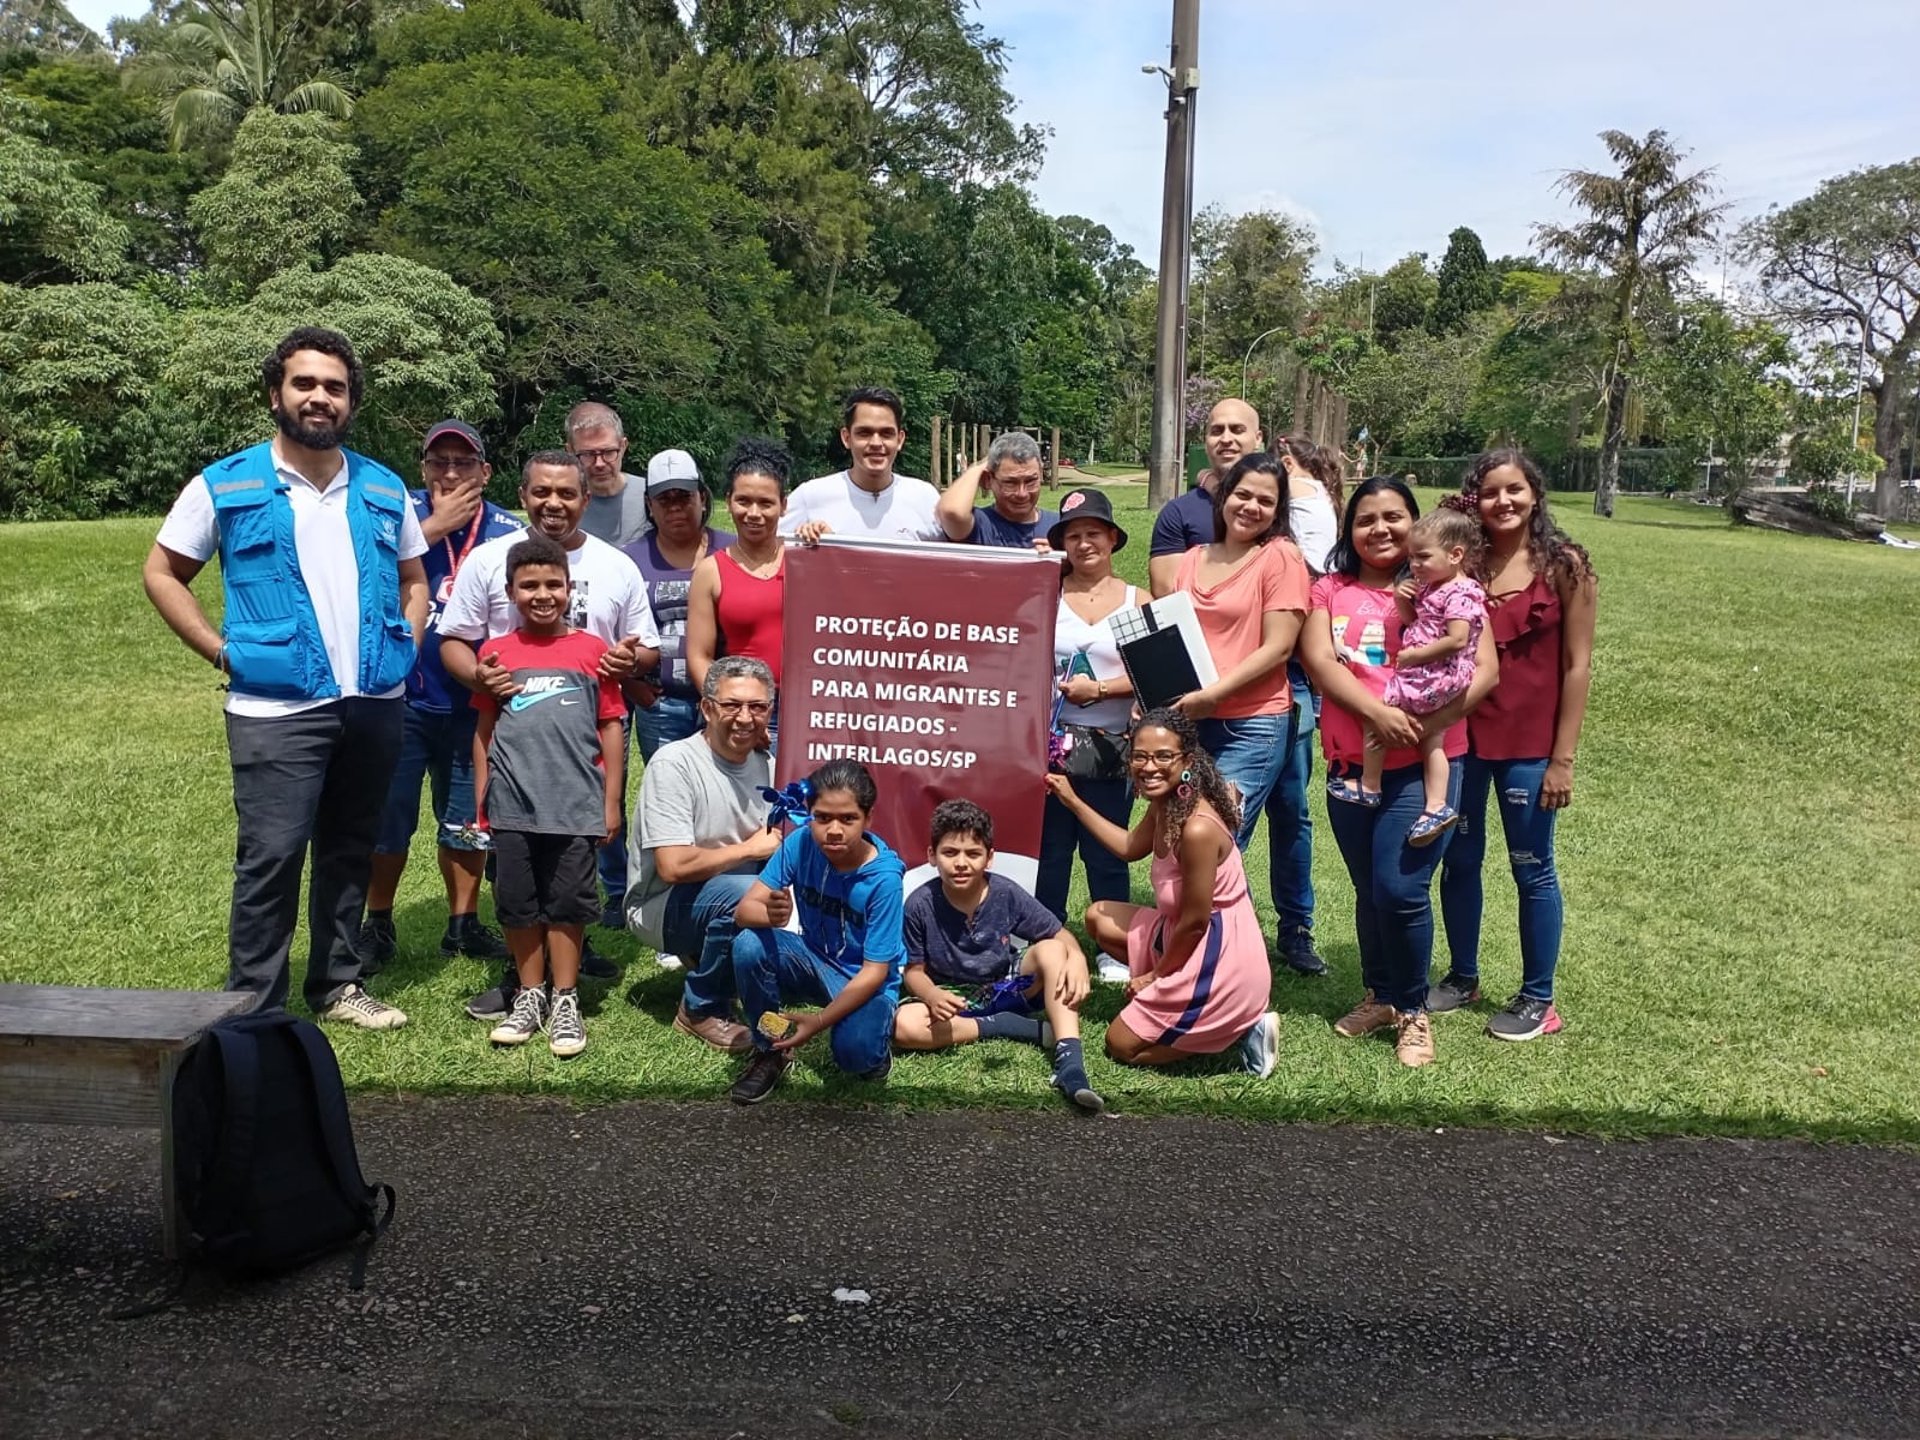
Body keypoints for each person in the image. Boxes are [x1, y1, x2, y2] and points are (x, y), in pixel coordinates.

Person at [142, 325, 425, 1029]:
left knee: (350, 847)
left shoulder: (384, 487)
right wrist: (220, 651)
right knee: (271, 857)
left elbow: (414, 578)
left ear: (351, 401)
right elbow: (162, 572)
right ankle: (254, 1004)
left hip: (374, 700)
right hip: (275, 709)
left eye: (334, 386)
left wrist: (407, 645)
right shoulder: (226, 484)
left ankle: (336, 984)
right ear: (276, 394)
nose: (319, 398)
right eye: (305, 384)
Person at [437, 451, 660, 1018]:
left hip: (585, 743)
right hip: (513, 747)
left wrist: (629, 660)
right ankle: (523, 981)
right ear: (523, 493)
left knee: (571, 872)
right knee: (516, 872)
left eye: (566, 493)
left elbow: (647, 647)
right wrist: (479, 674)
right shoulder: (488, 561)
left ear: (587, 498)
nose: (553, 503)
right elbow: (453, 640)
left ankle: (566, 976)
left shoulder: (616, 565)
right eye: (541, 492)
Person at [1297, 478, 1499, 1068]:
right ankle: (1381, 994)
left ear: (1417, 524)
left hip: (1425, 763)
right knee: (1369, 890)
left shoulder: (1450, 590)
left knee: (1401, 888)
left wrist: (1425, 721)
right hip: (1351, 764)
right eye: (1365, 519)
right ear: (1348, 529)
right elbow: (1317, 659)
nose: (1380, 529)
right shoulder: (1330, 589)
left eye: (1393, 517)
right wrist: (1377, 714)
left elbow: (1485, 671)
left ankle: (1413, 1011)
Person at [1435, 449, 1597, 1042]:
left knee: (1532, 868)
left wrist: (1563, 758)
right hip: (1465, 737)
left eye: (1515, 490)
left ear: (1535, 495)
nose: (1503, 502)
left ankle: (1538, 998)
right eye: (1489, 492)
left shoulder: (1565, 566)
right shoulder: (1463, 565)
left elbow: (1578, 667)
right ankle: (1461, 976)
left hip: (1531, 746)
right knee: (1459, 859)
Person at [359, 419, 524, 973]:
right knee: (388, 819)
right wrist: (430, 529)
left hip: (473, 706)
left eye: (463, 463)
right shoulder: (397, 511)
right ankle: (377, 921)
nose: (450, 473)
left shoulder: (507, 531)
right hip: (401, 697)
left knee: (468, 820)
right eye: (439, 463)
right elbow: (359, 571)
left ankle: (463, 923)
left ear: (486, 471)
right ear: (423, 468)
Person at [1046, 710, 1279, 1074]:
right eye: (1139, 755)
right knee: (1098, 917)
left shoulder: (1197, 829)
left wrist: (1155, 977)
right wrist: (1073, 801)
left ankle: (1237, 1032)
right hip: (1187, 934)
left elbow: (1196, 923)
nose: (1149, 766)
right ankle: (1196, 1010)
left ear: (1187, 760)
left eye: (1163, 756)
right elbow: (1127, 846)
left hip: (1218, 955)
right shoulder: (1168, 803)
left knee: (1120, 1045)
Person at [1163, 453, 1323, 977]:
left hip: (1252, 723)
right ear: (1224, 494)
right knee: (1189, 843)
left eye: (1265, 500)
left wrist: (1214, 695)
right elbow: (1174, 641)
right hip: (1192, 724)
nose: (1251, 506)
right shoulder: (1192, 558)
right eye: (1243, 494)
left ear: (1277, 511)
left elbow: (1279, 648)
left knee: (1211, 843)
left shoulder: (1280, 557)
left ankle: (1219, 973)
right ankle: (1213, 963)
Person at [470, 536, 627, 1059]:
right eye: (529, 585)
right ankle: (529, 994)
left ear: (570, 589)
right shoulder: (496, 655)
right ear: (511, 592)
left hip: (575, 804)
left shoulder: (591, 652)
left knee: (566, 903)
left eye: (553, 584)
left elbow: (610, 727)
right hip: (513, 804)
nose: (543, 595)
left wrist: (611, 802)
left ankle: (564, 997)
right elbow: (485, 730)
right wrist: (481, 797)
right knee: (518, 903)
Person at [893, 800, 1104, 1113]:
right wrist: (931, 994)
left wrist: (1076, 959)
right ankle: (1008, 1026)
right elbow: (913, 972)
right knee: (903, 1026)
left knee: (1053, 949)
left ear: (989, 858)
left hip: (1008, 984)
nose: (961, 863)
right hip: (955, 999)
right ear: (932, 856)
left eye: (973, 853)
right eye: (950, 853)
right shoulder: (919, 904)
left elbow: (1060, 934)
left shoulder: (1005, 892)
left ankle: (1070, 1062)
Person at [725, 760, 907, 1105]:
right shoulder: (801, 843)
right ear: (809, 815)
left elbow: (874, 973)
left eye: (848, 819)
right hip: (811, 958)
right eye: (822, 817)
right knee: (749, 944)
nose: (833, 830)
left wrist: (819, 1021)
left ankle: (875, 1042)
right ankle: (770, 1050)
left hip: (863, 981)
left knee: (855, 1057)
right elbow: (743, 912)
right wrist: (771, 914)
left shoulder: (884, 880)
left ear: (868, 819)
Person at [624, 656, 779, 1054]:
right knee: (751, 893)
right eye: (731, 705)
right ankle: (700, 1008)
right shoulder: (675, 763)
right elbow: (673, 867)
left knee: (775, 893)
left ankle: (718, 959)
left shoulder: (771, 767)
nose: (745, 718)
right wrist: (752, 848)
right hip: (660, 905)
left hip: (729, 892)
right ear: (707, 708)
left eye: (757, 707)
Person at [1331, 505, 1487, 846]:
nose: (1414, 565)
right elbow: (1413, 621)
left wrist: (1416, 655)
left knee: (1379, 720)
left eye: (1422, 557)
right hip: (1435, 675)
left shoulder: (1461, 592)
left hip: (1433, 676)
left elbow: (1458, 640)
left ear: (1456, 554)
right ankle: (1436, 805)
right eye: (1413, 558)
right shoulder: (1434, 585)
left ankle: (1370, 785)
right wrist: (1404, 600)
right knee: (1433, 743)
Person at [1037, 489, 1137, 978]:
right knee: (1050, 849)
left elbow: (1160, 673)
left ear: (1113, 538)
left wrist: (1099, 689)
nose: (1084, 544)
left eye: (1093, 533)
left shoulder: (1141, 600)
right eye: (1073, 535)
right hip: (1048, 747)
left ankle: (1112, 945)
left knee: (1107, 850)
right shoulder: (1043, 595)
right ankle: (1042, 934)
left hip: (1112, 748)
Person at [621, 447, 734, 762]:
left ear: (702, 497)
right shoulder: (629, 559)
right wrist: (631, 684)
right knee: (669, 792)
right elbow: (612, 629)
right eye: (664, 500)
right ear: (649, 505)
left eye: (683, 497)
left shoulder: (731, 551)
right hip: (661, 703)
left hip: (724, 703)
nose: (675, 508)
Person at [686, 438, 791, 716]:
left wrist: (826, 539)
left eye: (765, 503)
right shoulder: (711, 571)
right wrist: (730, 711)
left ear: (783, 505)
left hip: (804, 707)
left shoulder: (805, 561)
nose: (753, 513)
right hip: (742, 708)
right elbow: (699, 656)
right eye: (743, 501)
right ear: (728, 501)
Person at [783, 387, 942, 542]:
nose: (876, 443)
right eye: (864, 433)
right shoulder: (811, 497)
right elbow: (767, 547)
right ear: (846, 438)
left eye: (886, 433)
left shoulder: (925, 499)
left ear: (900, 440)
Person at [1146, 397, 1262, 596]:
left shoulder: (1282, 503)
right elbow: (1166, 590)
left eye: (1237, 430)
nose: (1226, 439)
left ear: (1258, 438)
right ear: (1206, 440)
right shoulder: (1178, 513)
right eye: (1217, 431)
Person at [934, 431, 1058, 548]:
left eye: (1030, 481)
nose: (1022, 493)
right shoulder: (980, 526)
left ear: (1040, 474)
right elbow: (951, 512)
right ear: (988, 480)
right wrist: (979, 467)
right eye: (1010, 483)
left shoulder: (1060, 527)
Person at [567, 401, 650, 547]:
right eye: (588, 454)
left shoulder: (652, 497)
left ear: (623, 446)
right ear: (570, 451)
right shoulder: (563, 506)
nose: (599, 463)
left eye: (608, 452)